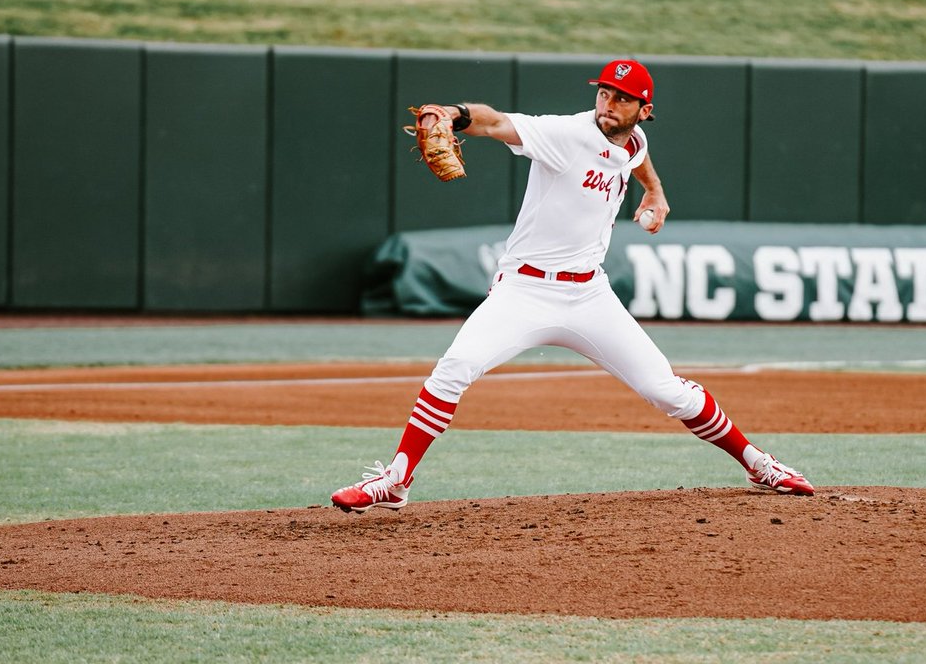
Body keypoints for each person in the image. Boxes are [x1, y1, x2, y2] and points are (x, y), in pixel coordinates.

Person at [331, 59, 814, 512]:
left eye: (623, 98)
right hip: (525, 291)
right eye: (605, 92)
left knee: (668, 391)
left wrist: (656, 192)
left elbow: (637, 156)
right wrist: (456, 114)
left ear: (644, 110)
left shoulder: (634, 140)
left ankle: (758, 465)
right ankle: (396, 481)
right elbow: (496, 122)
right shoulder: (564, 134)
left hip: (589, 296)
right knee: (454, 368)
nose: (609, 104)